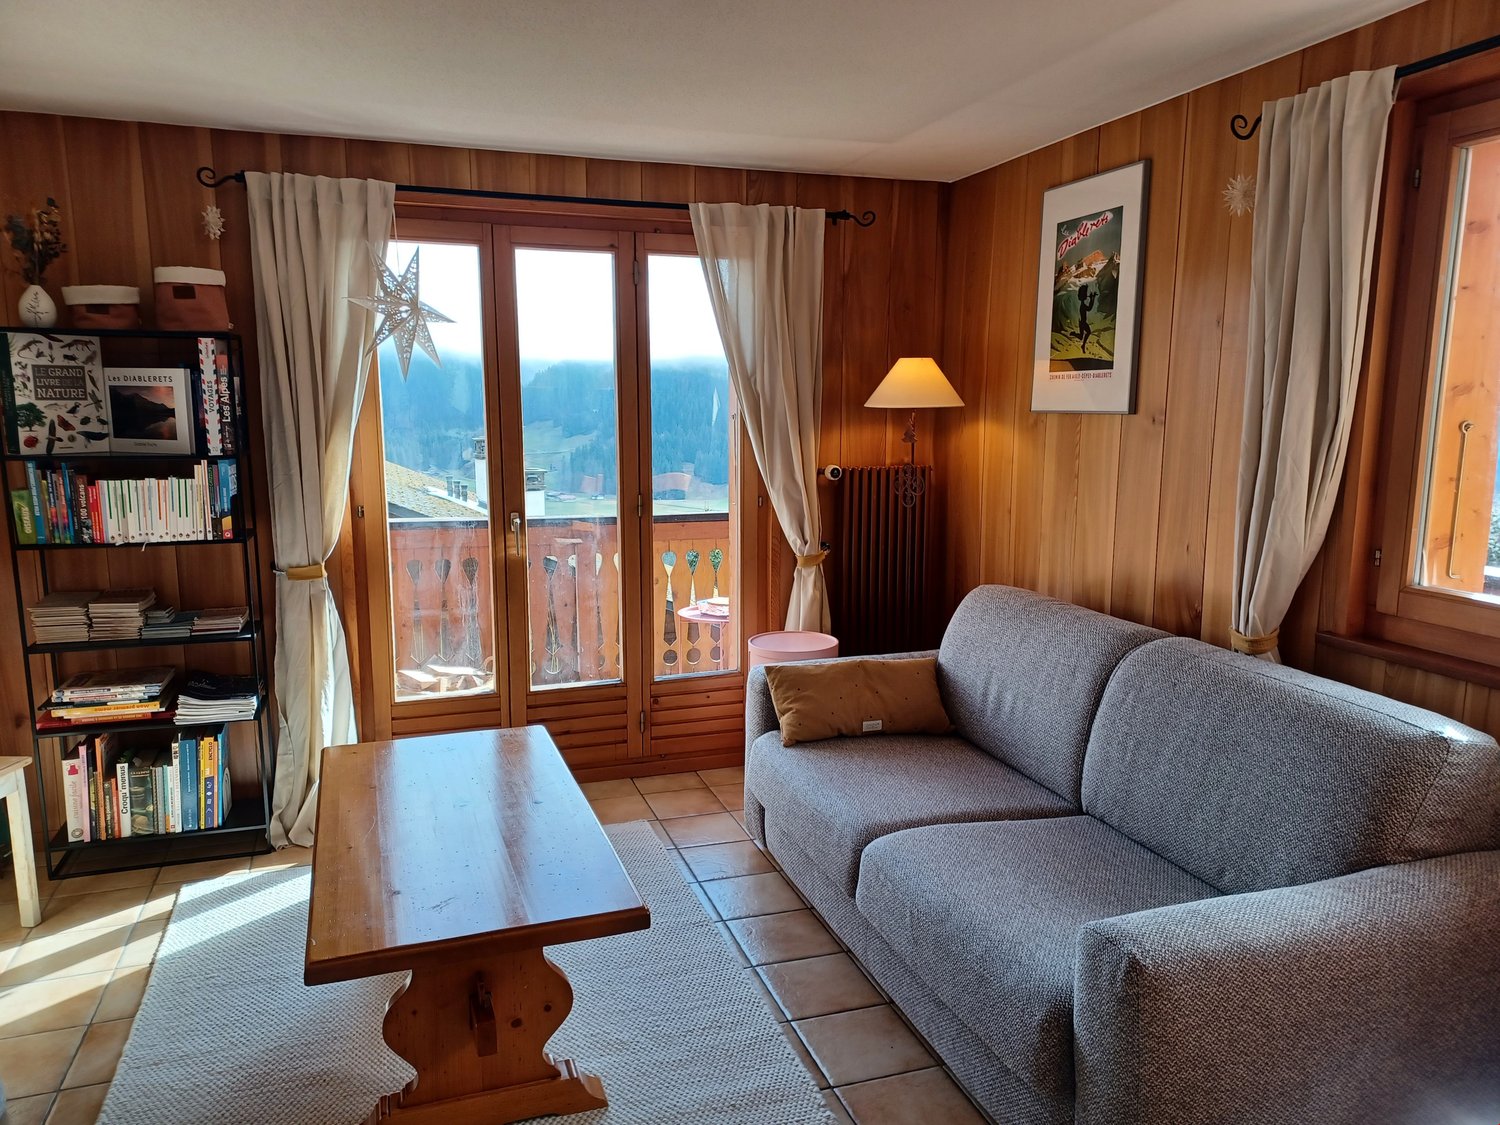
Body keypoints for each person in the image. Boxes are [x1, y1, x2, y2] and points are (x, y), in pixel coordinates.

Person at [1077, 284, 1096, 353]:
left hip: (1082, 322)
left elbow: (1089, 308)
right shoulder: (1083, 306)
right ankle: (1083, 345)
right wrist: (1092, 299)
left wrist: (1092, 299)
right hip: (1083, 322)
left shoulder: (1082, 305)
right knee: (1087, 333)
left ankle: (1083, 345)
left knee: (1081, 336)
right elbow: (1089, 308)